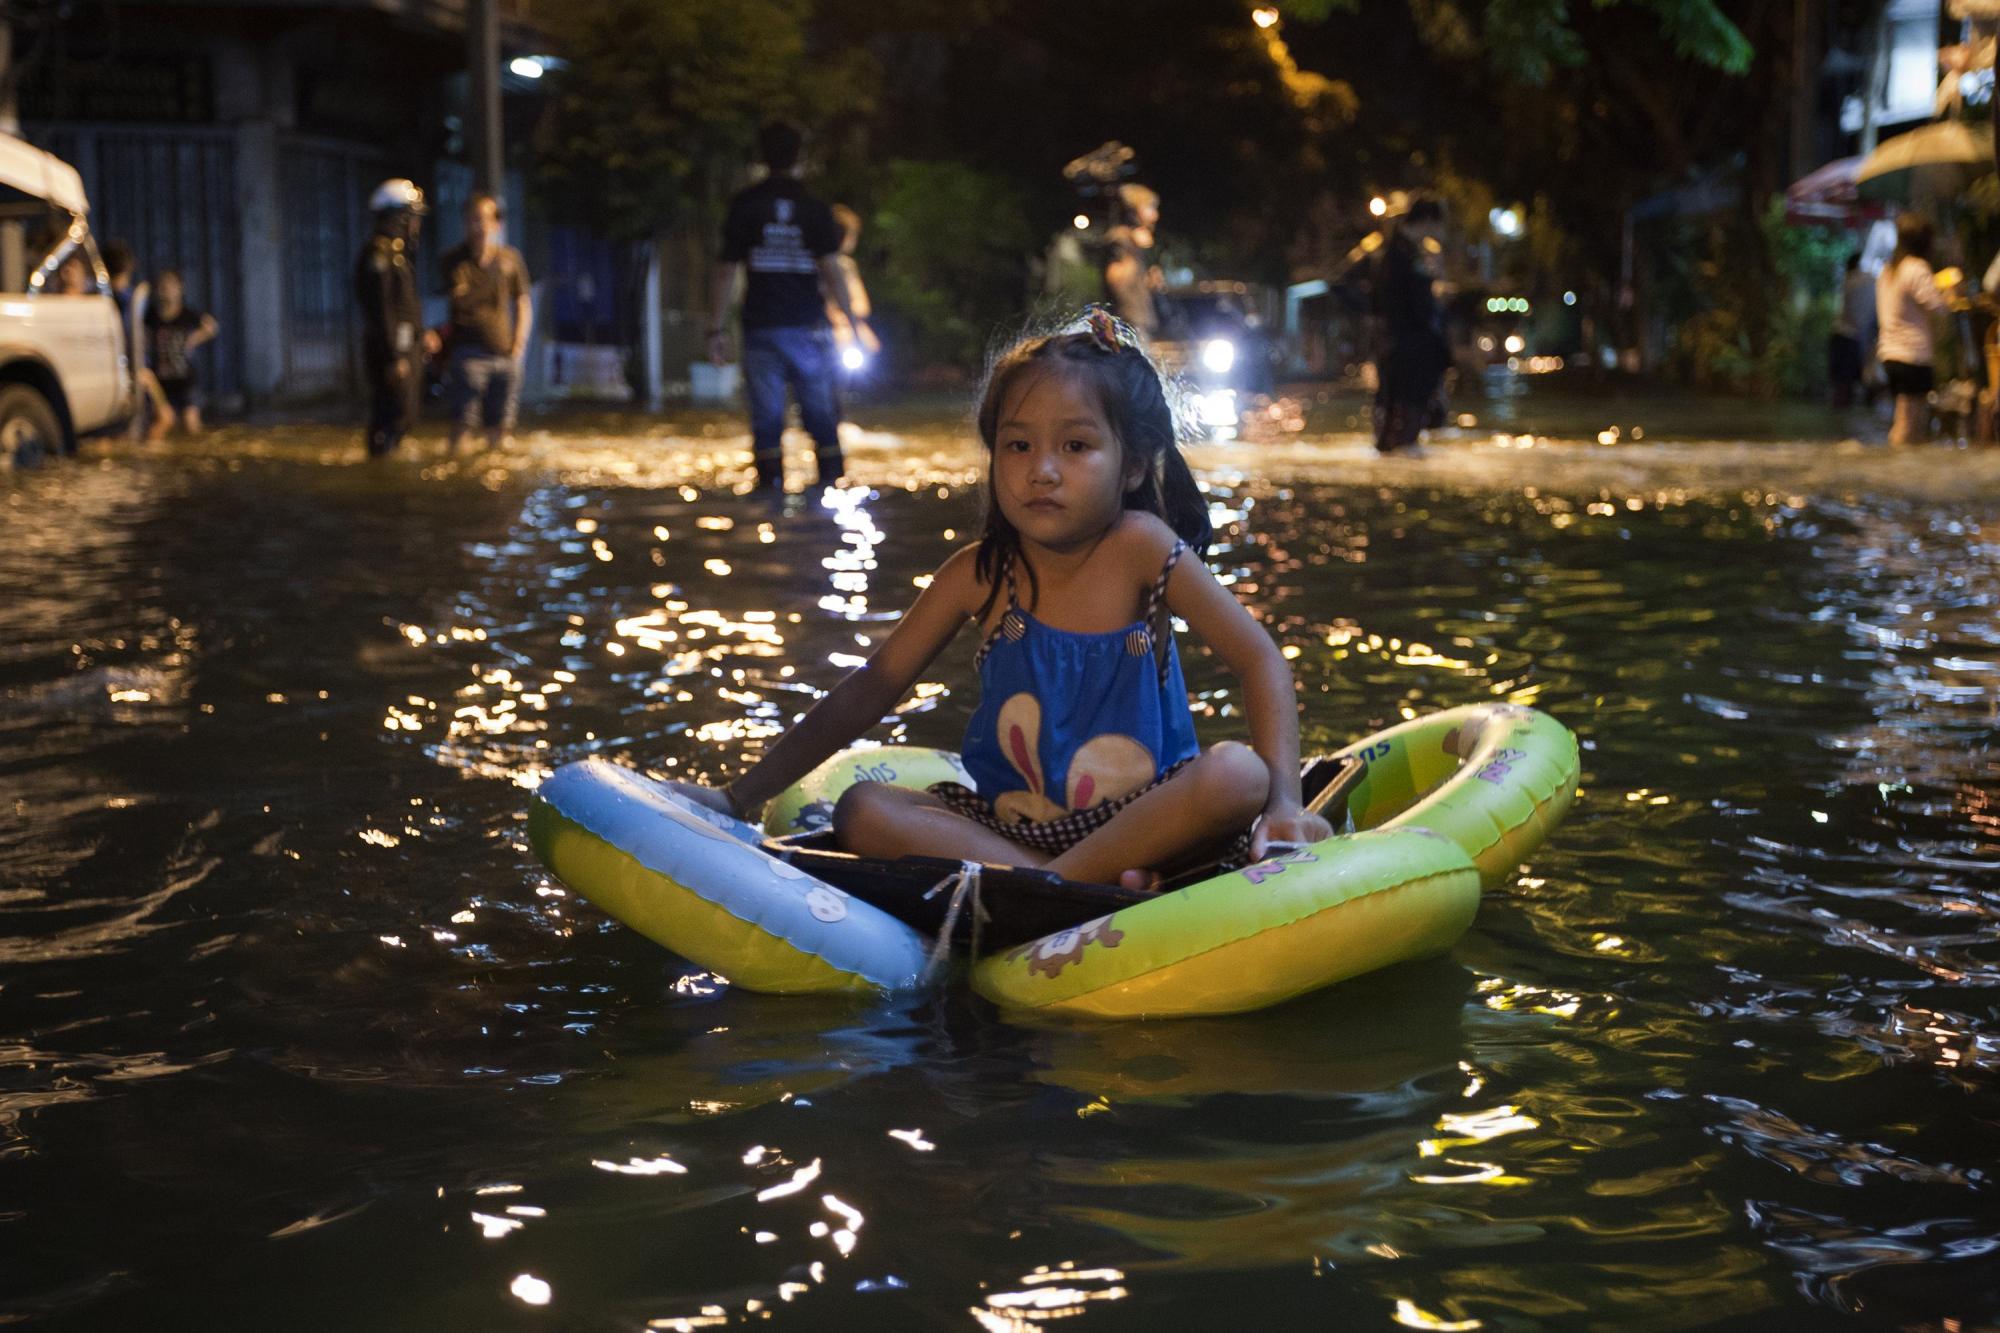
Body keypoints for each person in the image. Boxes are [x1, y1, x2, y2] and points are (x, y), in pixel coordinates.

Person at [667, 308, 1332, 891]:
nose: (1041, 469)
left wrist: (1282, 801)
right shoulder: (982, 573)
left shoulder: (1141, 546)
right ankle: (1069, 882)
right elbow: (873, 686)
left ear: (1132, 464)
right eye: (1018, 445)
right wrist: (739, 794)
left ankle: (1058, 883)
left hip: (1144, 818)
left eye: (1075, 446)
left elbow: (1258, 659)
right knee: (863, 807)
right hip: (1011, 827)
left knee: (1236, 775)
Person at [709, 121, 864, 491]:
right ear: (801, 156)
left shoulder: (746, 205)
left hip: (761, 327)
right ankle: (829, 490)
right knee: (821, 414)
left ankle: (770, 497)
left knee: (766, 419)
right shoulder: (814, 208)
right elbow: (833, 270)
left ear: (761, 155)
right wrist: (854, 327)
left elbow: (725, 271)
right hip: (808, 329)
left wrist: (715, 328)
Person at [436, 192, 532, 452]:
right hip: (468, 355)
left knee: (501, 429)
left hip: (504, 354)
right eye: (473, 220)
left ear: (496, 224)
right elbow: (458, 300)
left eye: (485, 220)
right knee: (462, 427)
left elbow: (523, 302)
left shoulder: (510, 259)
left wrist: (519, 345)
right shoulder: (454, 261)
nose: (479, 226)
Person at [354, 178, 439, 458]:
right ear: (398, 216)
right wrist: (393, 357)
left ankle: (387, 457)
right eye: (412, 217)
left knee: (404, 413)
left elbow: (402, 306)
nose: (416, 225)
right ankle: (380, 467)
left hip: (403, 347)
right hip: (391, 351)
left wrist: (419, 334)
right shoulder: (380, 254)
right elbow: (382, 310)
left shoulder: (398, 254)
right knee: (393, 412)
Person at [1370, 196, 1451, 456]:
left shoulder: (1400, 252)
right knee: (1405, 416)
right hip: (1409, 348)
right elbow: (1414, 308)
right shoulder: (1402, 256)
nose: (1439, 233)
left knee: (1397, 415)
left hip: (1401, 347)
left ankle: (1398, 445)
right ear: (1428, 222)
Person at [1877, 212, 1961, 447]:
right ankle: (1898, 473)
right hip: (1912, 354)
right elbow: (1937, 306)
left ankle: (1900, 468)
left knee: (1904, 417)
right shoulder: (1916, 268)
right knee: (1910, 421)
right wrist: (1951, 293)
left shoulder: (1888, 270)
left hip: (1889, 353)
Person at [142, 269, 218, 439]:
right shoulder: (152, 316)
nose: (166, 290)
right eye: (163, 286)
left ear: (180, 289)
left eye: (171, 286)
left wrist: (193, 339)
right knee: (162, 422)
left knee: (191, 422)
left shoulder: (187, 314)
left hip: (185, 379)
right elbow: (140, 333)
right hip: (160, 379)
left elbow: (211, 326)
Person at [824, 203, 880, 395]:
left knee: (871, 349)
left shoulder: (847, 266)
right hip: (823, 329)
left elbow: (862, 305)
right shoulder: (816, 263)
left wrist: (847, 318)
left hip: (846, 328)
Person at [1101, 182, 1162, 338]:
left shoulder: (1132, 240)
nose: (1155, 216)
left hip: (1139, 318)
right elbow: (1117, 279)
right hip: (1127, 320)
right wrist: (1135, 251)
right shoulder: (1120, 237)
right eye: (1150, 208)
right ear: (1133, 210)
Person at [1829, 252, 1874, 408]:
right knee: (1847, 379)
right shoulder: (1861, 280)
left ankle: (1841, 407)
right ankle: (1843, 406)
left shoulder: (1850, 281)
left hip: (1844, 334)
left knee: (1842, 380)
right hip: (1852, 336)